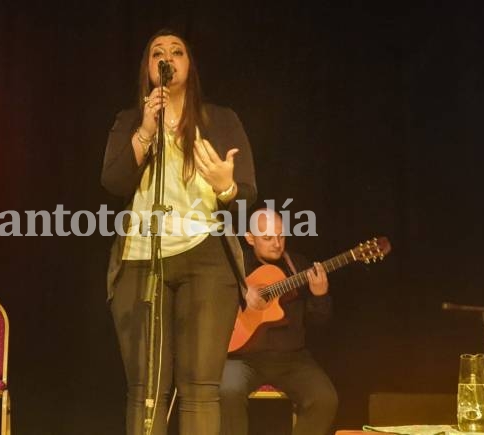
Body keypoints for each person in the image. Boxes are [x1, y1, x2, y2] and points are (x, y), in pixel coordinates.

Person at [101, 28, 257, 435]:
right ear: (149, 67)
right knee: (145, 389)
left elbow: (248, 197)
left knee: (200, 388)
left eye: (177, 51)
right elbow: (114, 182)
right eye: (157, 53)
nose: (166, 58)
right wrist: (147, 129)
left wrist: (226, 184)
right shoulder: (130, 120)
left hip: (206, 257)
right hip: (140, 258)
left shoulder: (221, 119)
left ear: (189, 65)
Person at [220, 209, 338, 435]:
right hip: (243, 359)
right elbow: (213, 302)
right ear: (250, 238)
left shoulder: (299, 265)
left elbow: (318, 323)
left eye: (280, 236)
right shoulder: (236, 267)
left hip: (292, 360)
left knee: (325, 399)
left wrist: (320, 296)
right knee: (227, 390)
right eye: (267, 238)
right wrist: (241, 292)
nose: (276, 244)